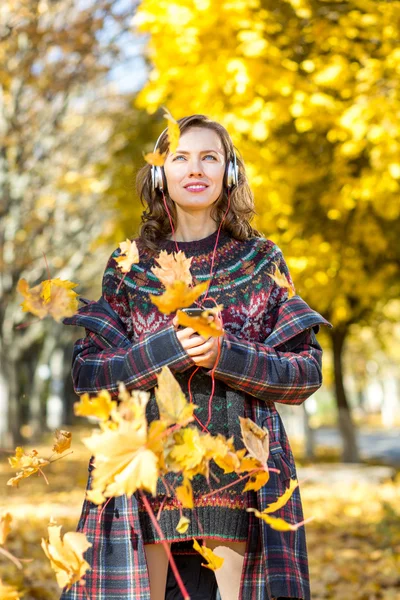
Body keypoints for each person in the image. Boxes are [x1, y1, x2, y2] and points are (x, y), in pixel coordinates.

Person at [61, 114, 331, 600]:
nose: (195, 168)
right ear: (160, 173)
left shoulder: (261, 259)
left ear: (229, 172)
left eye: (210, 156)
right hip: (146, 482)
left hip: (241, 481)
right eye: (180, 157)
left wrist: (227, 356)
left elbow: (306, 373)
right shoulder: (129, 267)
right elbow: (88, 374)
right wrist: (166, 351)